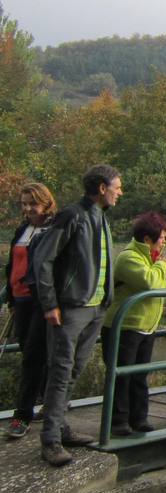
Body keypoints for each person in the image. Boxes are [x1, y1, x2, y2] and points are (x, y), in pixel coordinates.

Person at [32, 164, 123, 466]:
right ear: (101, 188)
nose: (120, 192)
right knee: (61, 372)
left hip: (95, 309)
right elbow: (43, 259)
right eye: (117, 186)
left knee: (73, 372)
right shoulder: (73, 215)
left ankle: (60, 426)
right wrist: (50, 304)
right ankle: (51, 441)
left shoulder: (101, 219)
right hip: (71, 308)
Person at [102, 211, 166, 435]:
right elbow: (150, 283)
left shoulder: (153, 258)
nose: (164, 242)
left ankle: (139, 418)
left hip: (147, 326)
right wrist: (163, 266)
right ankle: (118, 421)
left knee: (140, 375)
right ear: (147, 239)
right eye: (162, 238)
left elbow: (164, 288)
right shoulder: (129, 257)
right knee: (123, 375)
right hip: (125, 326)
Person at [3, 182, 55, 440]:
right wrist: (10, 296)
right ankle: (50, 400)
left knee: (32, 355)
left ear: (45, 204)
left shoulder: (52, 229)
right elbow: (14, 263)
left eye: (32, 204)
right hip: (20, 300)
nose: (28, 209)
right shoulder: (24, 228)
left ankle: (22, 415)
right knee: (30, 351)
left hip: (39, 300)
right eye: (24, 204)